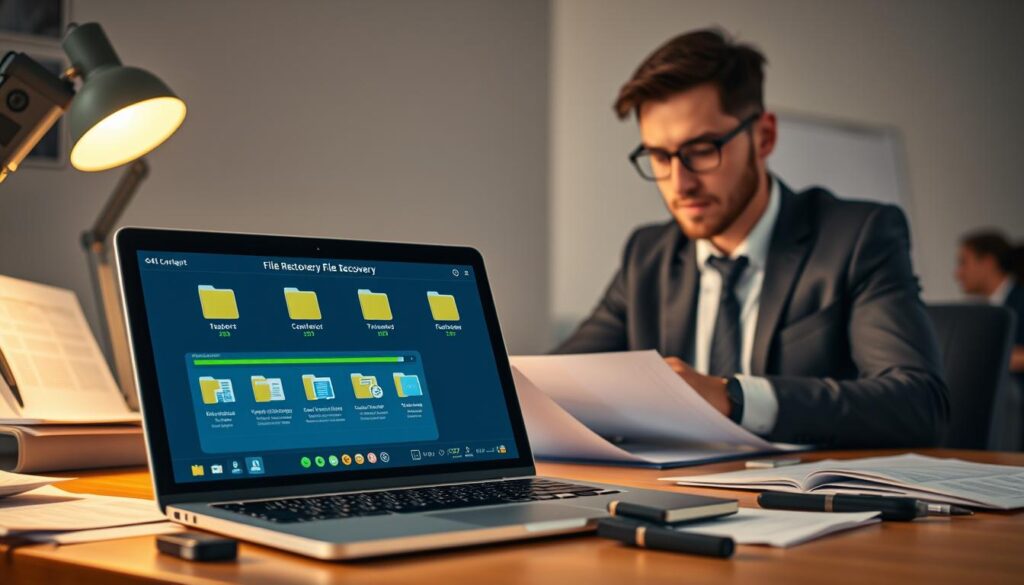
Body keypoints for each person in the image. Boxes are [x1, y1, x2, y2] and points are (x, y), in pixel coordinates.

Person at [555, 29, 948, 448]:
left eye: (702, 149)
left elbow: (918, 404)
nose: (679, 182)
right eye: (658, 156)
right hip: (675, 497)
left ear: (764, 137)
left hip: (810, 501)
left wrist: (731, 397)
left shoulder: (857, 237)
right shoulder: (648, 254)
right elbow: (558, 380)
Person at [955, 231, 1024, 376]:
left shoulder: (1020, 299)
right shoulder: (984, 311)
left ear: (988, 263)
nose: (958, 274)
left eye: (963, 263)